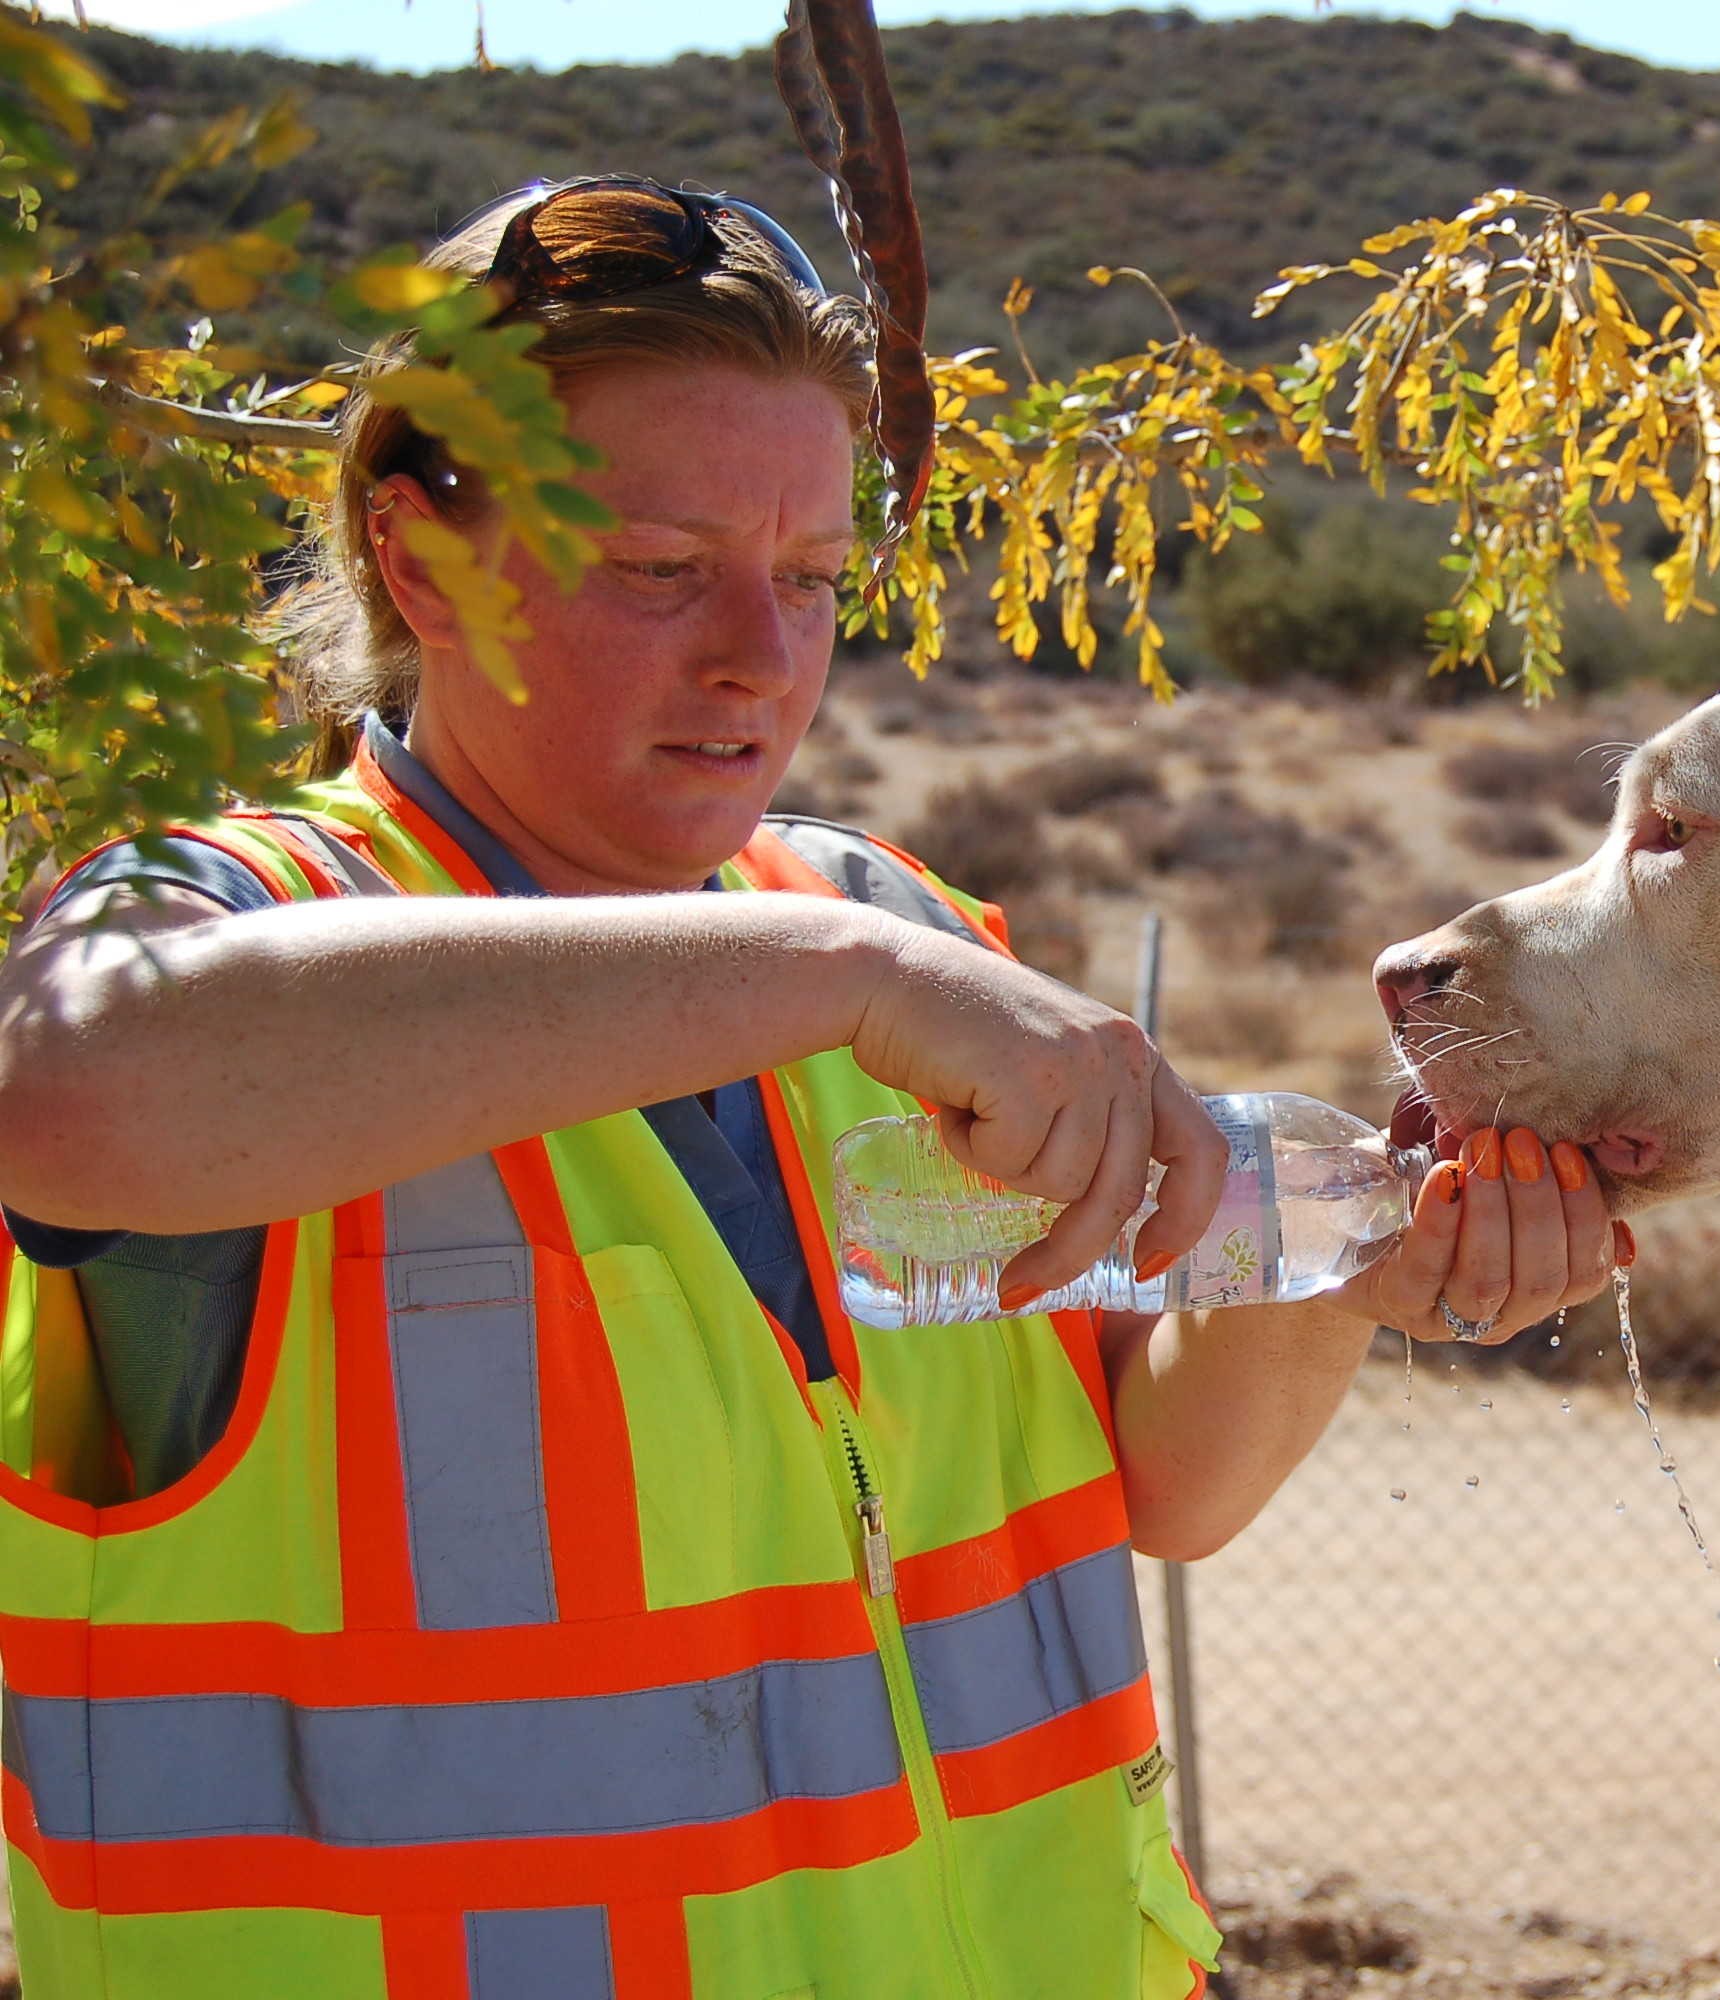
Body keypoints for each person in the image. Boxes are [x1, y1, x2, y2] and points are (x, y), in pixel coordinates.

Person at [0, 175, 1620, 1999]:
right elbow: (67, 1085)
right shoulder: (250, 920)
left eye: (811, 579)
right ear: (416, 558)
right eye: (659, 570)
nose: (759, 661)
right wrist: (827, 985)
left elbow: (1153, 1481)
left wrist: (1329, 1268)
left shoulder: (885, 916)